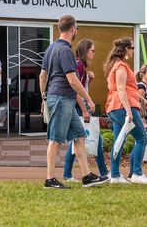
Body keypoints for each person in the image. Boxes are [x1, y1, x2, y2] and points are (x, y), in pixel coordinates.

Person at [40, 15, 107, 189]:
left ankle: (87, 176)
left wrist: (44, 97)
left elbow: (42, 76)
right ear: (72, 29)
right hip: (62, 98)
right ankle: (50, 180)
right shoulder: (65, 51)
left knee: (79, 136)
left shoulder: (51, 49)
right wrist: (89, 100)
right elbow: (73, 80)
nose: (77, 31)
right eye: (77, 28)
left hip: (62, 99)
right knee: (55, 139)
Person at [104, 37, 147, 185]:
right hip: (124, 106)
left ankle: (115, 175)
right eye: (132, 48)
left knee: (118, 141)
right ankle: (137, 173)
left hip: (114, 107)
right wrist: (128, 111)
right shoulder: (121, 67)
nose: (133, 51)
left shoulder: (115, 65)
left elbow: (127, 88)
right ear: (126, 49)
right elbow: (121, 89)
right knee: (142, 138)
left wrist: (142, 99)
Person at [62, 39, 109, 182]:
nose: (94, 53)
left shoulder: (80, 66)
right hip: (78, 106)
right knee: (86, 138)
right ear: (85, 51)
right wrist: (84, 109)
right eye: (92, 51)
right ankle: (103, 172)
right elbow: (75, 90)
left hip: (78, 106)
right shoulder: (78, 65)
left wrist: (89, 79)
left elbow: (81, 88)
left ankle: (68, 174)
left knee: (78, 140)